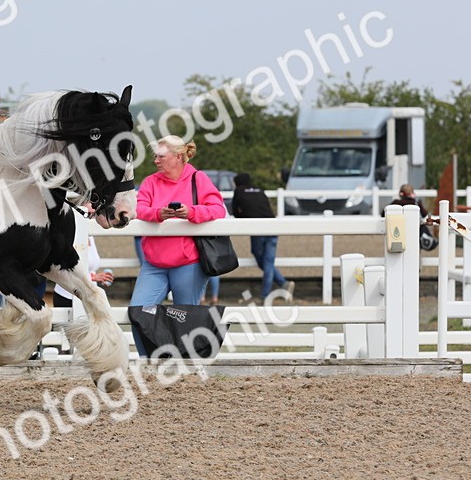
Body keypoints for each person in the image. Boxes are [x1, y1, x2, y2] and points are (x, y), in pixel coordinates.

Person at [129, 135, 226, 351]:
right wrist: (158, 213)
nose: (155, 160)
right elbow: (138, 209)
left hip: (188, 263)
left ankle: (184, 363)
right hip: (154, 263)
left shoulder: (198, 178)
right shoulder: (150, 181)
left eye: (161, 156)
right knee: (137, 312)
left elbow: (218, 209)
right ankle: (149, 361)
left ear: (178, 157)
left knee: (186, 319)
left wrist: (191, 212)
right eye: (155, 156)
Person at [232, 172, 293, 300]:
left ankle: (267, 294)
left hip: (258, 228)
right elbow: (267, 207)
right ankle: (283, 284)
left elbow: (235, 211)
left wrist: (245, 218)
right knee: (268, 261)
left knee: (262, 258)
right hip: (272, 226)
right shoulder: (259, 189)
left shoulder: (239, 191)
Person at [53, 237, 114, 308]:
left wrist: (102, 277)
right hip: (68, 295)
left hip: (89, 295)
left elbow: (90, 268)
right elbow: (63, 268)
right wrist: (92, 277)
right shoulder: (70, 237)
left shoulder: (90, 238)